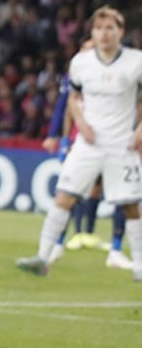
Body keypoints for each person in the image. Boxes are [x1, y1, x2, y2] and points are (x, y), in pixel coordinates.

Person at [16, 6, 142, 281]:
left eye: (109, 28)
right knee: (63, 197)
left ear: (120, 32)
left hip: (122, 145)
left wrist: (140, 130)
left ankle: (139, 265)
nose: (104, 34)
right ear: (92, 33)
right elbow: (73, 97)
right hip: (88, 144)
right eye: (98, 28)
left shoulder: (136, 62)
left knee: (131, 205)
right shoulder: (80, 62)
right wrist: (81, 123)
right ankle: (43, 257)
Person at [39, 40, 131, 270]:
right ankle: (58, 244)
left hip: (115, 142)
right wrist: (63, 141)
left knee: (121, 196)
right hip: (84, 143)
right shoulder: (77, 75)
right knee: (71, 194)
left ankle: (112, 248)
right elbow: (66, 108)